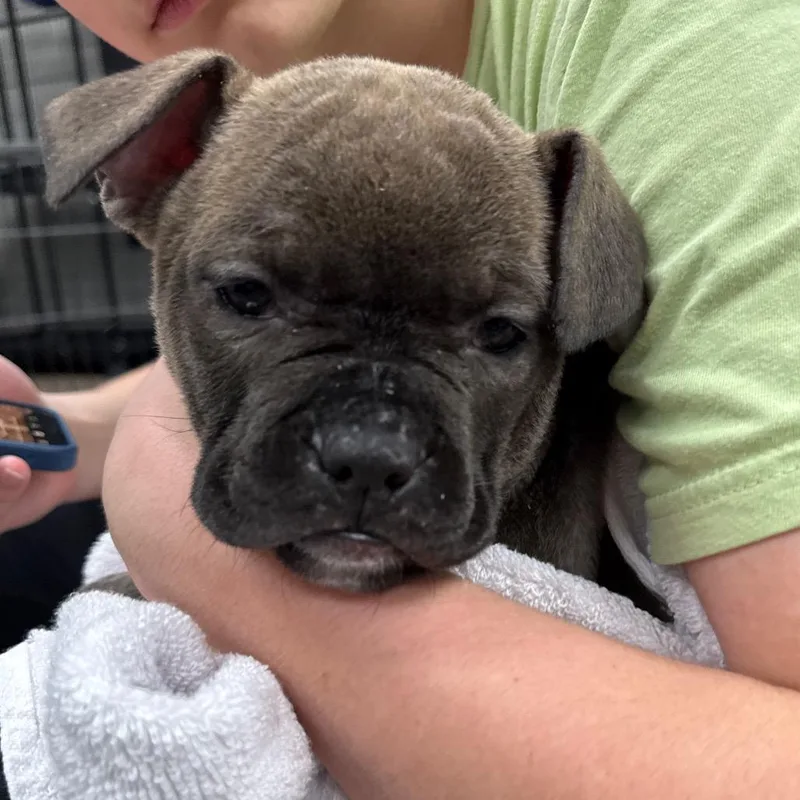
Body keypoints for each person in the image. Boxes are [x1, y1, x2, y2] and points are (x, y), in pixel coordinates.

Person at [2, 0, 800, 796]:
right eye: (250, 298)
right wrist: (81, 430)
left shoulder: (706, 63)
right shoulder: (266, 120)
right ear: (149, 167)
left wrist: (176, 542)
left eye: (493, 337)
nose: (368, 447)